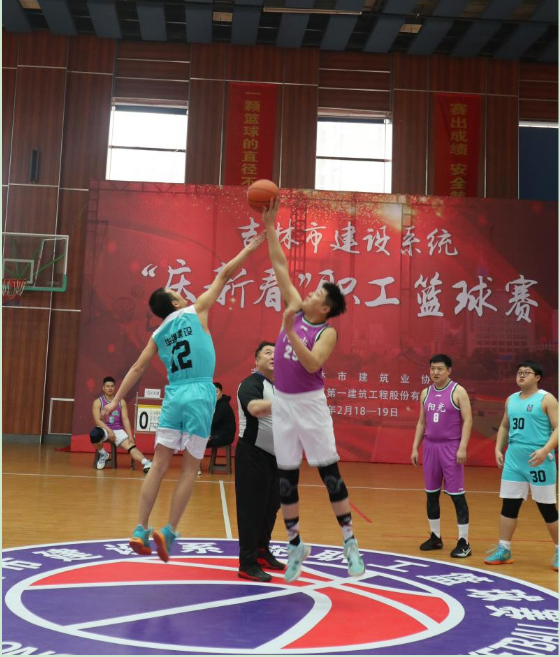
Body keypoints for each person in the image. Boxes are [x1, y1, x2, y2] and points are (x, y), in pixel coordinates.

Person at [101, 234, 265, 562]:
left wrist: (115, 401)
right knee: (190, 468)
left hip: (173, 394)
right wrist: (249, 248)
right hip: (200, 392)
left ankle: (139, 528)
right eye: (177, 293)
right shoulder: (196, 310)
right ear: (176, 303)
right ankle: (169, 530)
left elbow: (136, 367)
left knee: (159, 465)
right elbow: (225, 275)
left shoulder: (158, 333)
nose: (182, 294)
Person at [261, 199, 365, 583]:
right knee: (286, 478)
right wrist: (270, 226)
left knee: (329, 475)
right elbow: (279, 265)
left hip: (310, 405)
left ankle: (350, 543)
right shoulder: (294, 305)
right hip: (283, 403)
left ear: (325, 307)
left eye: (317, 293)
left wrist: (289, 332)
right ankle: (294, 545)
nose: (308, 293)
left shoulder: (327, 332)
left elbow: (311, 364)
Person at [485, 361, 558, 571]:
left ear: (537, 377)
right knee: (509, 505)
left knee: (547, 508)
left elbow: (558, 428)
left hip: (539, 460)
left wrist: (545, 450)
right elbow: (504, 426)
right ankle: (504, 548)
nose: (522, 375)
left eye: (527, 372)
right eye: (519, 372)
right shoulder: (511, 399)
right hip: (514, 460)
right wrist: (498, 449)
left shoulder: (546, 399)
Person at [411, 354, 473, 558]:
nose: (435, 372)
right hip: (430, 448)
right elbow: (422, 422)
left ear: (449, 370)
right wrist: (415, 447)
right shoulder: (425, 393)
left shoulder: (458, 391)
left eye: (439, 369)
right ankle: (435, 537)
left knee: (456, 495)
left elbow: (468, 420)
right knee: (431, 494)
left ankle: (464, 542)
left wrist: (462, 447)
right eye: (432, 369)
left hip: (451, 448)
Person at [236, 341, 284, 582]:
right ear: (256, 361)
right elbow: (255, 409)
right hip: (252, 455)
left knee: (270, 507)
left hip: (276, 458)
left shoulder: (280, 388)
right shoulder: (251, 383)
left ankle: (262, 551)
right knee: (251, 510)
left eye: (277, 353)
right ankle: (247, 563)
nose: (273, 356)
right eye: (268, 353)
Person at [91, 376, 152, 473]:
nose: (110, 388)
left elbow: (125, 419)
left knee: (131, 446)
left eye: (112, 386)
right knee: (94, 434)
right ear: (103, 388)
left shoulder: (121, 402)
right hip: (104, 429)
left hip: (118, 430)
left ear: (115, 387)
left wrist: (130, 436)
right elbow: (97, 421)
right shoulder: (98, 402)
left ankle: (146, 462)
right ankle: (104, 454)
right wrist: (109, 431)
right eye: (107, 386)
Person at [207, 382, 236, 449]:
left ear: (221, 393)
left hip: (224, 436)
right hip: (217, 434)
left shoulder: (223, 405)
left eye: (216, 392)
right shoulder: (215, 405)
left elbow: (213, 422)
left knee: (197, 442)